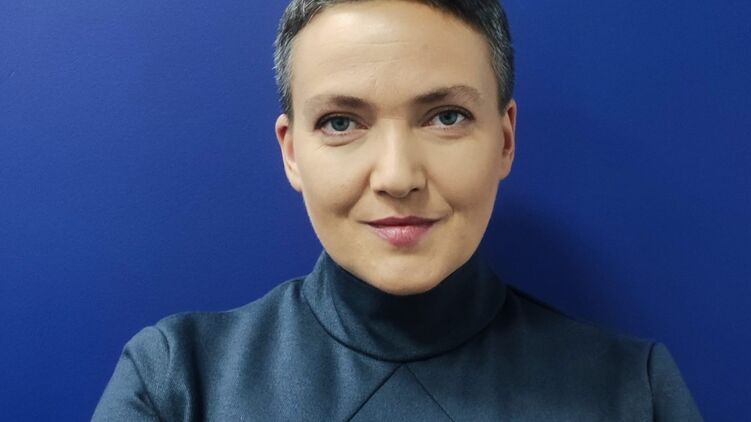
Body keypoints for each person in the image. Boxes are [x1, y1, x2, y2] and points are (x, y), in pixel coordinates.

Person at [93, 0, 702, 420]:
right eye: (341, 123)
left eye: (446, 117)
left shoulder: (632, 393)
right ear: (292, 152)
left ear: (505, 140)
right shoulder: (176, 384)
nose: (397, 177)